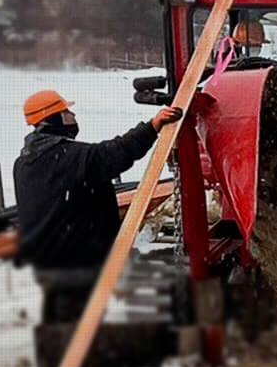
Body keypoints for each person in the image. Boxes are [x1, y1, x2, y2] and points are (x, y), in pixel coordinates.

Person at [12, 90, 181, 322]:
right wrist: (153, 126)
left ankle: (65, 352)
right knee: (77, 324)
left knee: (64, 315)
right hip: (75, 260)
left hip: (48, 258)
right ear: (50, 119)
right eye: (66, 112)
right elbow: (115, 153)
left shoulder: (23, 162)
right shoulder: (70, 157)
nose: (72, 115)